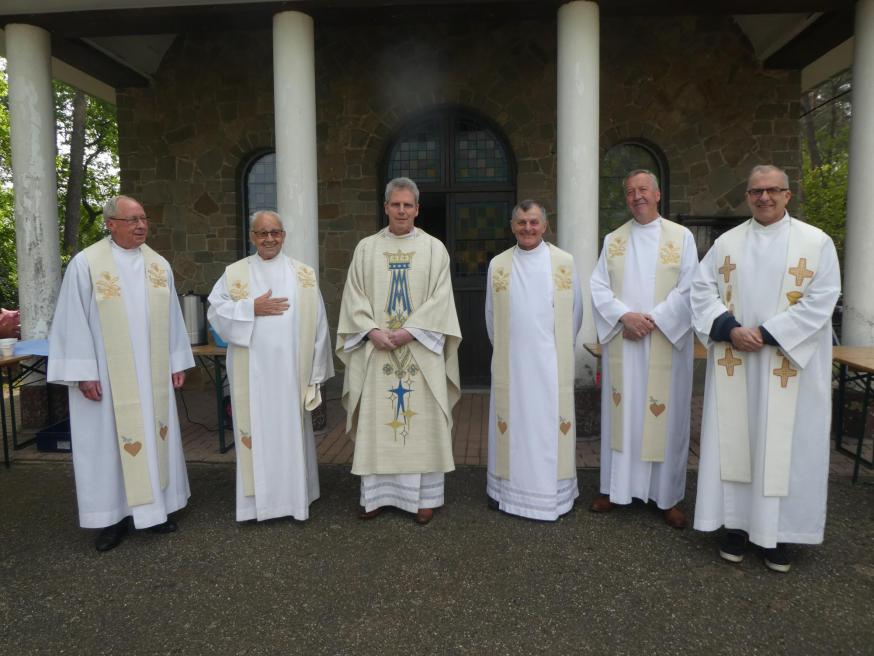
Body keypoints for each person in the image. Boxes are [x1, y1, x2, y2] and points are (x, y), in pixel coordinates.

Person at [691, 164, 840, 572]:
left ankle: (778, 536)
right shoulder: (727, 243)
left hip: (787, 366)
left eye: (773, 190)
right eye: (756, 191)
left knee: (784, 448)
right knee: (738, 442)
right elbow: (700, 291)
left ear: (788, 195)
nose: (764, 197)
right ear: (748, 196)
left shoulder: (816, 242)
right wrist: (729, 328)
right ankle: (736, 527)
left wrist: (769, 333)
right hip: (736, 361)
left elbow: (823, 298)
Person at [48, 195, 194, 551]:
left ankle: (153, 514)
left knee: (152, 438)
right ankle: (112, 519)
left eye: (143, 218)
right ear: (110, 224)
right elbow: (71, 322)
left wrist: (176, 362)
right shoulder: (86, 264)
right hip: (107, 379)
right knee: (109, 446)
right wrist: (84, 372)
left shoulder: (158, 265)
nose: (141, 225)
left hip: (152, 376)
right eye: (132, 220)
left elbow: (173, 318)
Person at [336, 177, 461, 525]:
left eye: (408, 205)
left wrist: (410, 331)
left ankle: (425, 499)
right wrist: (371, 331)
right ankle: (375, 497)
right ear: (386, 206)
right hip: (377, 353)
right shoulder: (366, 249)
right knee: (379, 422)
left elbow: (442, 299)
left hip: (420, 351)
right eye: (396, 204)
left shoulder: (435, 249)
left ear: (417, 209)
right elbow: (353, 297)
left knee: (423, 426)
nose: (402, 210)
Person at [207, 210, 334, 522]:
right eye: (262, 233)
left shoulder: (303, 275)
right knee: (258, 436)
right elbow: (216, 312)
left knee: (291, 437)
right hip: (253, 377)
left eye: (275, 232)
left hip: (292, 375)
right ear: (252, 237)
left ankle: (295, 501)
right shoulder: (235, 274)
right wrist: (251, 307)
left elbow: (319, 325)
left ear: (284, 235)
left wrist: (315, 375)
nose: (269, 238)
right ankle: (257, 506)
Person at [590, 169, 698, 528]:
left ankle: (666, 496)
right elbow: (598, 287)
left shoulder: (681, 238)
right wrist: (624, 317)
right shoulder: (613, 240)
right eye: (630, 191)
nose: (636, 196)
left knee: (663, 417)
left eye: (643, 190)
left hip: (664, 341)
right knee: (624, 414)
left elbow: (689, 288)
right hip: (626, 342)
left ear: (657, 195)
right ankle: (615, 488)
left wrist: (651, 320)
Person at [485, 200, 584, 519]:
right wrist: (508, 351)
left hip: (549, 365)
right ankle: (505, 492)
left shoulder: (564, 263)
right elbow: (491, 317)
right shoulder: (498, 265)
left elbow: (575, 313)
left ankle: (553, 496)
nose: (527, 228)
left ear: (544, 225)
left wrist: (556, 353)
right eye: (521, 223)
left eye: (533, 222)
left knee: (546, 428)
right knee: (512, 426)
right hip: (511, 365)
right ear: (512, 226)